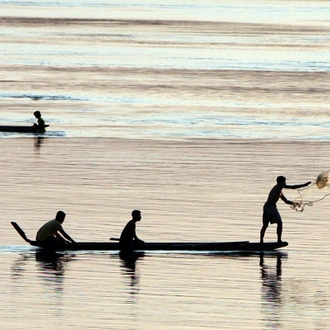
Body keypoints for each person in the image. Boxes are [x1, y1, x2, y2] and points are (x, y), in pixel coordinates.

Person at [260, 176, 311, 243]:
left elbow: (286, 201)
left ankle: (277, 240)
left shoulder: (279, 191)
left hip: (270, 207)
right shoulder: (278, 186)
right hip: (270, 207)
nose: (285, 183)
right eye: (284, 181)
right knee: (271, 224)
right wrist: (305, 185)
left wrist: (294, 203)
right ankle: (264, 241)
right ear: (281, 182)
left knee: (273, 224)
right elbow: (292, 187)